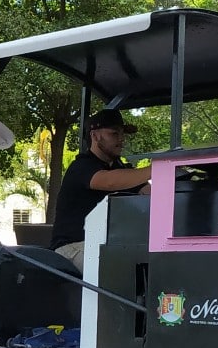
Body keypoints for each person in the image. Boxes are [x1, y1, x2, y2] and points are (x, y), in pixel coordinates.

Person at [50, 109, 151, 272]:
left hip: (108, 246)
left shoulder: (121, 169)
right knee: (119, 268)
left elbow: (148, 192)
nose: (121, 139)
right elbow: (109, 182)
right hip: (71, 249)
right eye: (114, 134)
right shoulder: (81, 167)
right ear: (95, 135)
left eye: (122, 134)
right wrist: (160, 168)